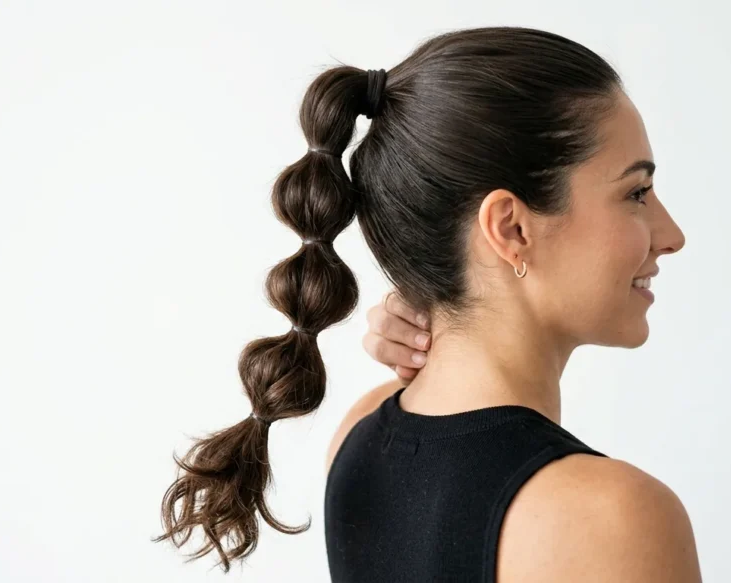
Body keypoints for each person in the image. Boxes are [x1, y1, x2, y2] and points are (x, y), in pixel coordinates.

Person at [156, 26, 701, 582]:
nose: (672, 233)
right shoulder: (614, 519)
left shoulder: (362, 431)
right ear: (511, 228)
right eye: (636, 193)